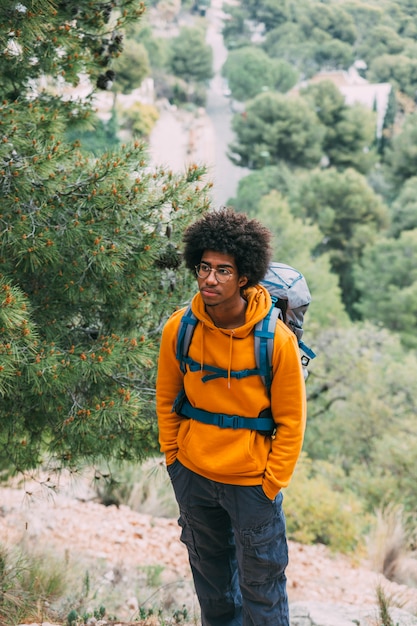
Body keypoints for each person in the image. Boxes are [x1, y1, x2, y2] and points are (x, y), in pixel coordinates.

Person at [156, 208, 307, 626]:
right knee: (215, 595)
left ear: (244, 278)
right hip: (193, 476)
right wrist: (174, 460)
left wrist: (270, 483)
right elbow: (167, 399)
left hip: (251, 485)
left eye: (224, 270)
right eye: (204, 267)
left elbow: (292, 421)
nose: (210, 278)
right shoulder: (179, 328)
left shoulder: (274, 339)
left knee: (263, 593)